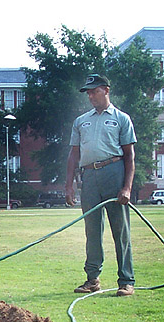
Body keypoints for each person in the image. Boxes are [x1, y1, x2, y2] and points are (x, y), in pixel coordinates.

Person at [65, 74, 137, 297]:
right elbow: (73, 154)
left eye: (93, 91)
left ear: (105, 90)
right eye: (87, 92)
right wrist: (69, 184)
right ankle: (92, 278)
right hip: (89, 177)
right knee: (92, 230)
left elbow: (129, 156)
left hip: (114, 172)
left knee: (120, 230)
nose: (89, 95)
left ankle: (126, 280)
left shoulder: (121, 119)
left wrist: (126, 187)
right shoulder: (81, 121)